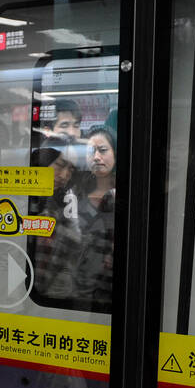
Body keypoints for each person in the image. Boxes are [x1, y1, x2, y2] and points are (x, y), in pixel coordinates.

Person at [29, 136, 84, 300]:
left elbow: (76, 240)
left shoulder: (63, 201)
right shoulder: (21, 198)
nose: (64, 175)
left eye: (71, 170)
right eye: (60, 165)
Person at [76, 125, 118, 309]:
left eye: (103, 150)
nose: (96, 157)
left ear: (116, 153)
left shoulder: (126, 194)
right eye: (91, 151)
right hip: (79, 287)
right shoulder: (75, 194)